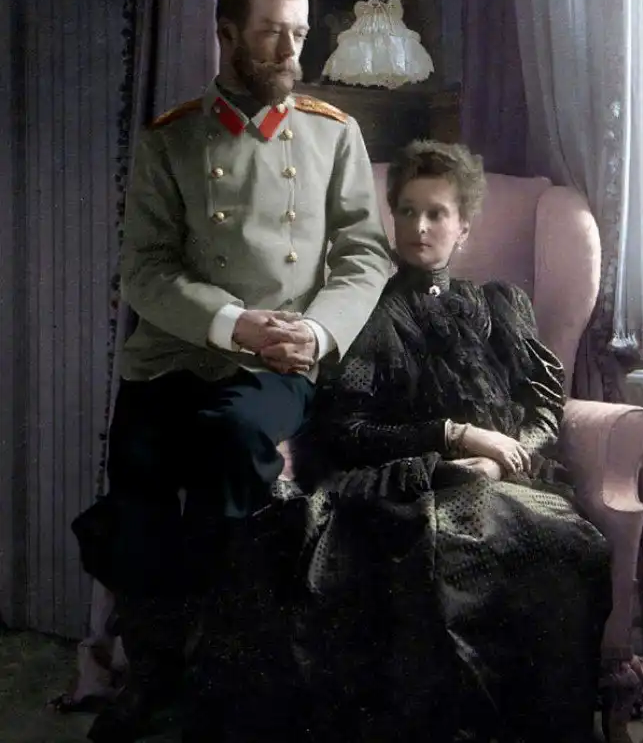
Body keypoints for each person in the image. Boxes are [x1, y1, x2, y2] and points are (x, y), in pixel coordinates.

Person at [187, 139, 612, 743]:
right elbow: (348, 431)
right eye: (408, 211)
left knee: (567, 542)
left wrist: (505, 457)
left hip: (509, 480)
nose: (419, 227)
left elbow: (544, 405)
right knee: (445, 549)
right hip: (407, 483)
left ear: (464, 227)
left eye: (437, 213)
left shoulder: (502, 305)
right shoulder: (369, 313)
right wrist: (455, 435)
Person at [82, 0, 392, 743]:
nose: (289, 50)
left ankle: (227, 678)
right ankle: (153, 671)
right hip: (176, 352)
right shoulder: (170, 138)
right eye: (270, 33)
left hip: (280, 359)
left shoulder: (333, 133)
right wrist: (229, 322)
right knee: (140, 467)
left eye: (298, 33)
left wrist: (316, 332)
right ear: (226, 34)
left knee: (231, 440)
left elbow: (364, 255)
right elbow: (145, 271)